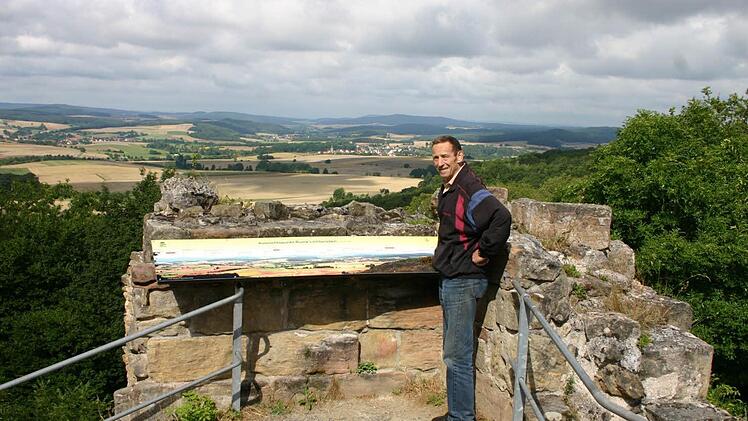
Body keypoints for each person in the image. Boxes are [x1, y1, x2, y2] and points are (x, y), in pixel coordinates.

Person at [431, 135, 511, 421]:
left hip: (463, 280)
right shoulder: (451, 187)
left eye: (445, 157)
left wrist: (484, 253)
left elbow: (501, 218)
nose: (440, 162)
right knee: (453, 354)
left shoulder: (468, 188)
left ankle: (461, 418)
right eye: (436, 157)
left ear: (459, 156)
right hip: (453, 277)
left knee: (457, 357)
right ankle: (457, 413)